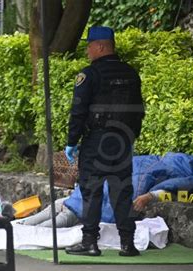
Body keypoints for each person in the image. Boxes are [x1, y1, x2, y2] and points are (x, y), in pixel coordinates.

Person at [64, 26, 145, 257]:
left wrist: (72, 141)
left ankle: (90, 241)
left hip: (97, 140)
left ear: (100, 46)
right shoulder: (131, 73)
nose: (87, 50)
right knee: (122, 192)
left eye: (89, 45)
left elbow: (78, 111)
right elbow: (139, 110)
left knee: (92, 190)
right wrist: (131, 136)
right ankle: (127, 243)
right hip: (122, 141)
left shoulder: (89, 75)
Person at [20, 153, 193, 228]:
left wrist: (148, 196)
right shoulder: (175, 170)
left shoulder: (171, 169)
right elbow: (165, 187)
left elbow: (163, 187)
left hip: (113, 184)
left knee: (67, 208)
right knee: (67, 207)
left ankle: (21, 226)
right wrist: (149, 195)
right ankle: (21, 226)